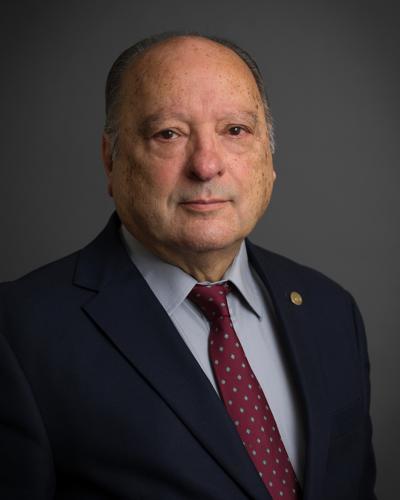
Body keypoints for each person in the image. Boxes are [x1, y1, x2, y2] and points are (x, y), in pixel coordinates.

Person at [0, 32, 376, 500]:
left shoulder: (331, 311)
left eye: (235, 130)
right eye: (169, 134)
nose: (206, 165)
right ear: (110, 160)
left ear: (269, 157)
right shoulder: (18, 334)